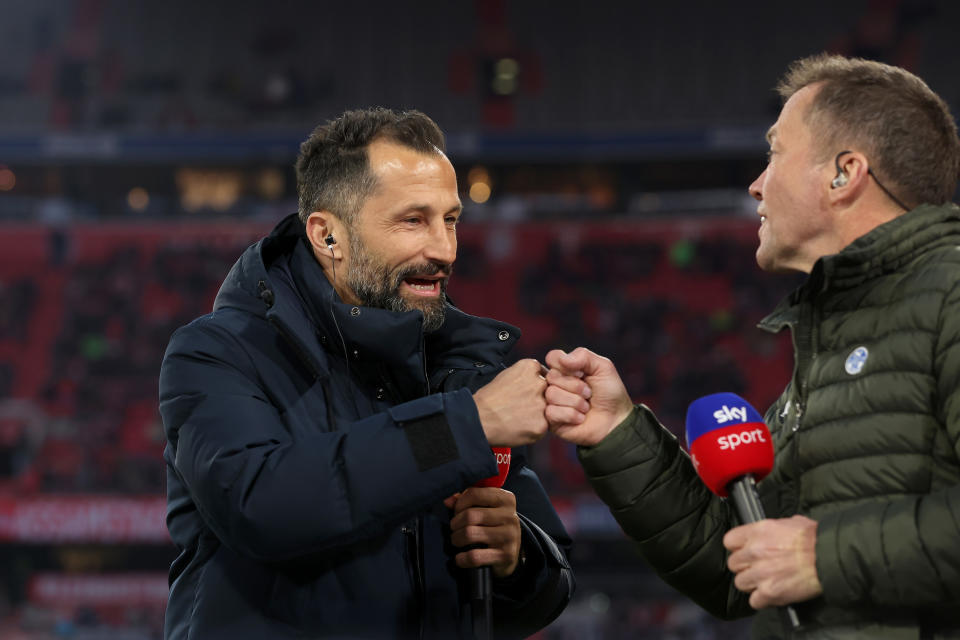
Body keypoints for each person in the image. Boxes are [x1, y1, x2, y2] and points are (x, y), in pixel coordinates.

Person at [542, 54, 960, 639]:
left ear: (845, 174)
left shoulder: (949, 291)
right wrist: (617, 435)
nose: (756, 184)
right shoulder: (834, 327)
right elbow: (739, 566)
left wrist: (823, 556)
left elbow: (804, 557)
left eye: (775, 154)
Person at [159, 108, 573, 639]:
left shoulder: (457, 367)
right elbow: (261, 504)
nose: (444, 250)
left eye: (450, 220)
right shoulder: (217, 353)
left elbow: (554, 581)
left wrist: (518, 557)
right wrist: (464, 426)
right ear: (328, 236)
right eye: (412, 221)